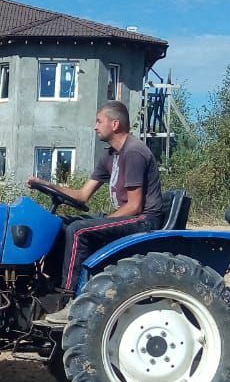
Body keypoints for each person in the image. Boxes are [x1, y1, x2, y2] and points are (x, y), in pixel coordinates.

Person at [27, 100, 163, 325]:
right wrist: (46, 184)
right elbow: (82, 195)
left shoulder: (134, 152)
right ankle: (49, 286)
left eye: (99, 121)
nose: (95, 126)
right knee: (59, 224)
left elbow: (135, 205)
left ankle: (70, 301)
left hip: (144, 220)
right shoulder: (110, 156)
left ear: (115, 124)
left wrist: (103, 220)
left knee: (79, 231)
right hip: (130, 215)